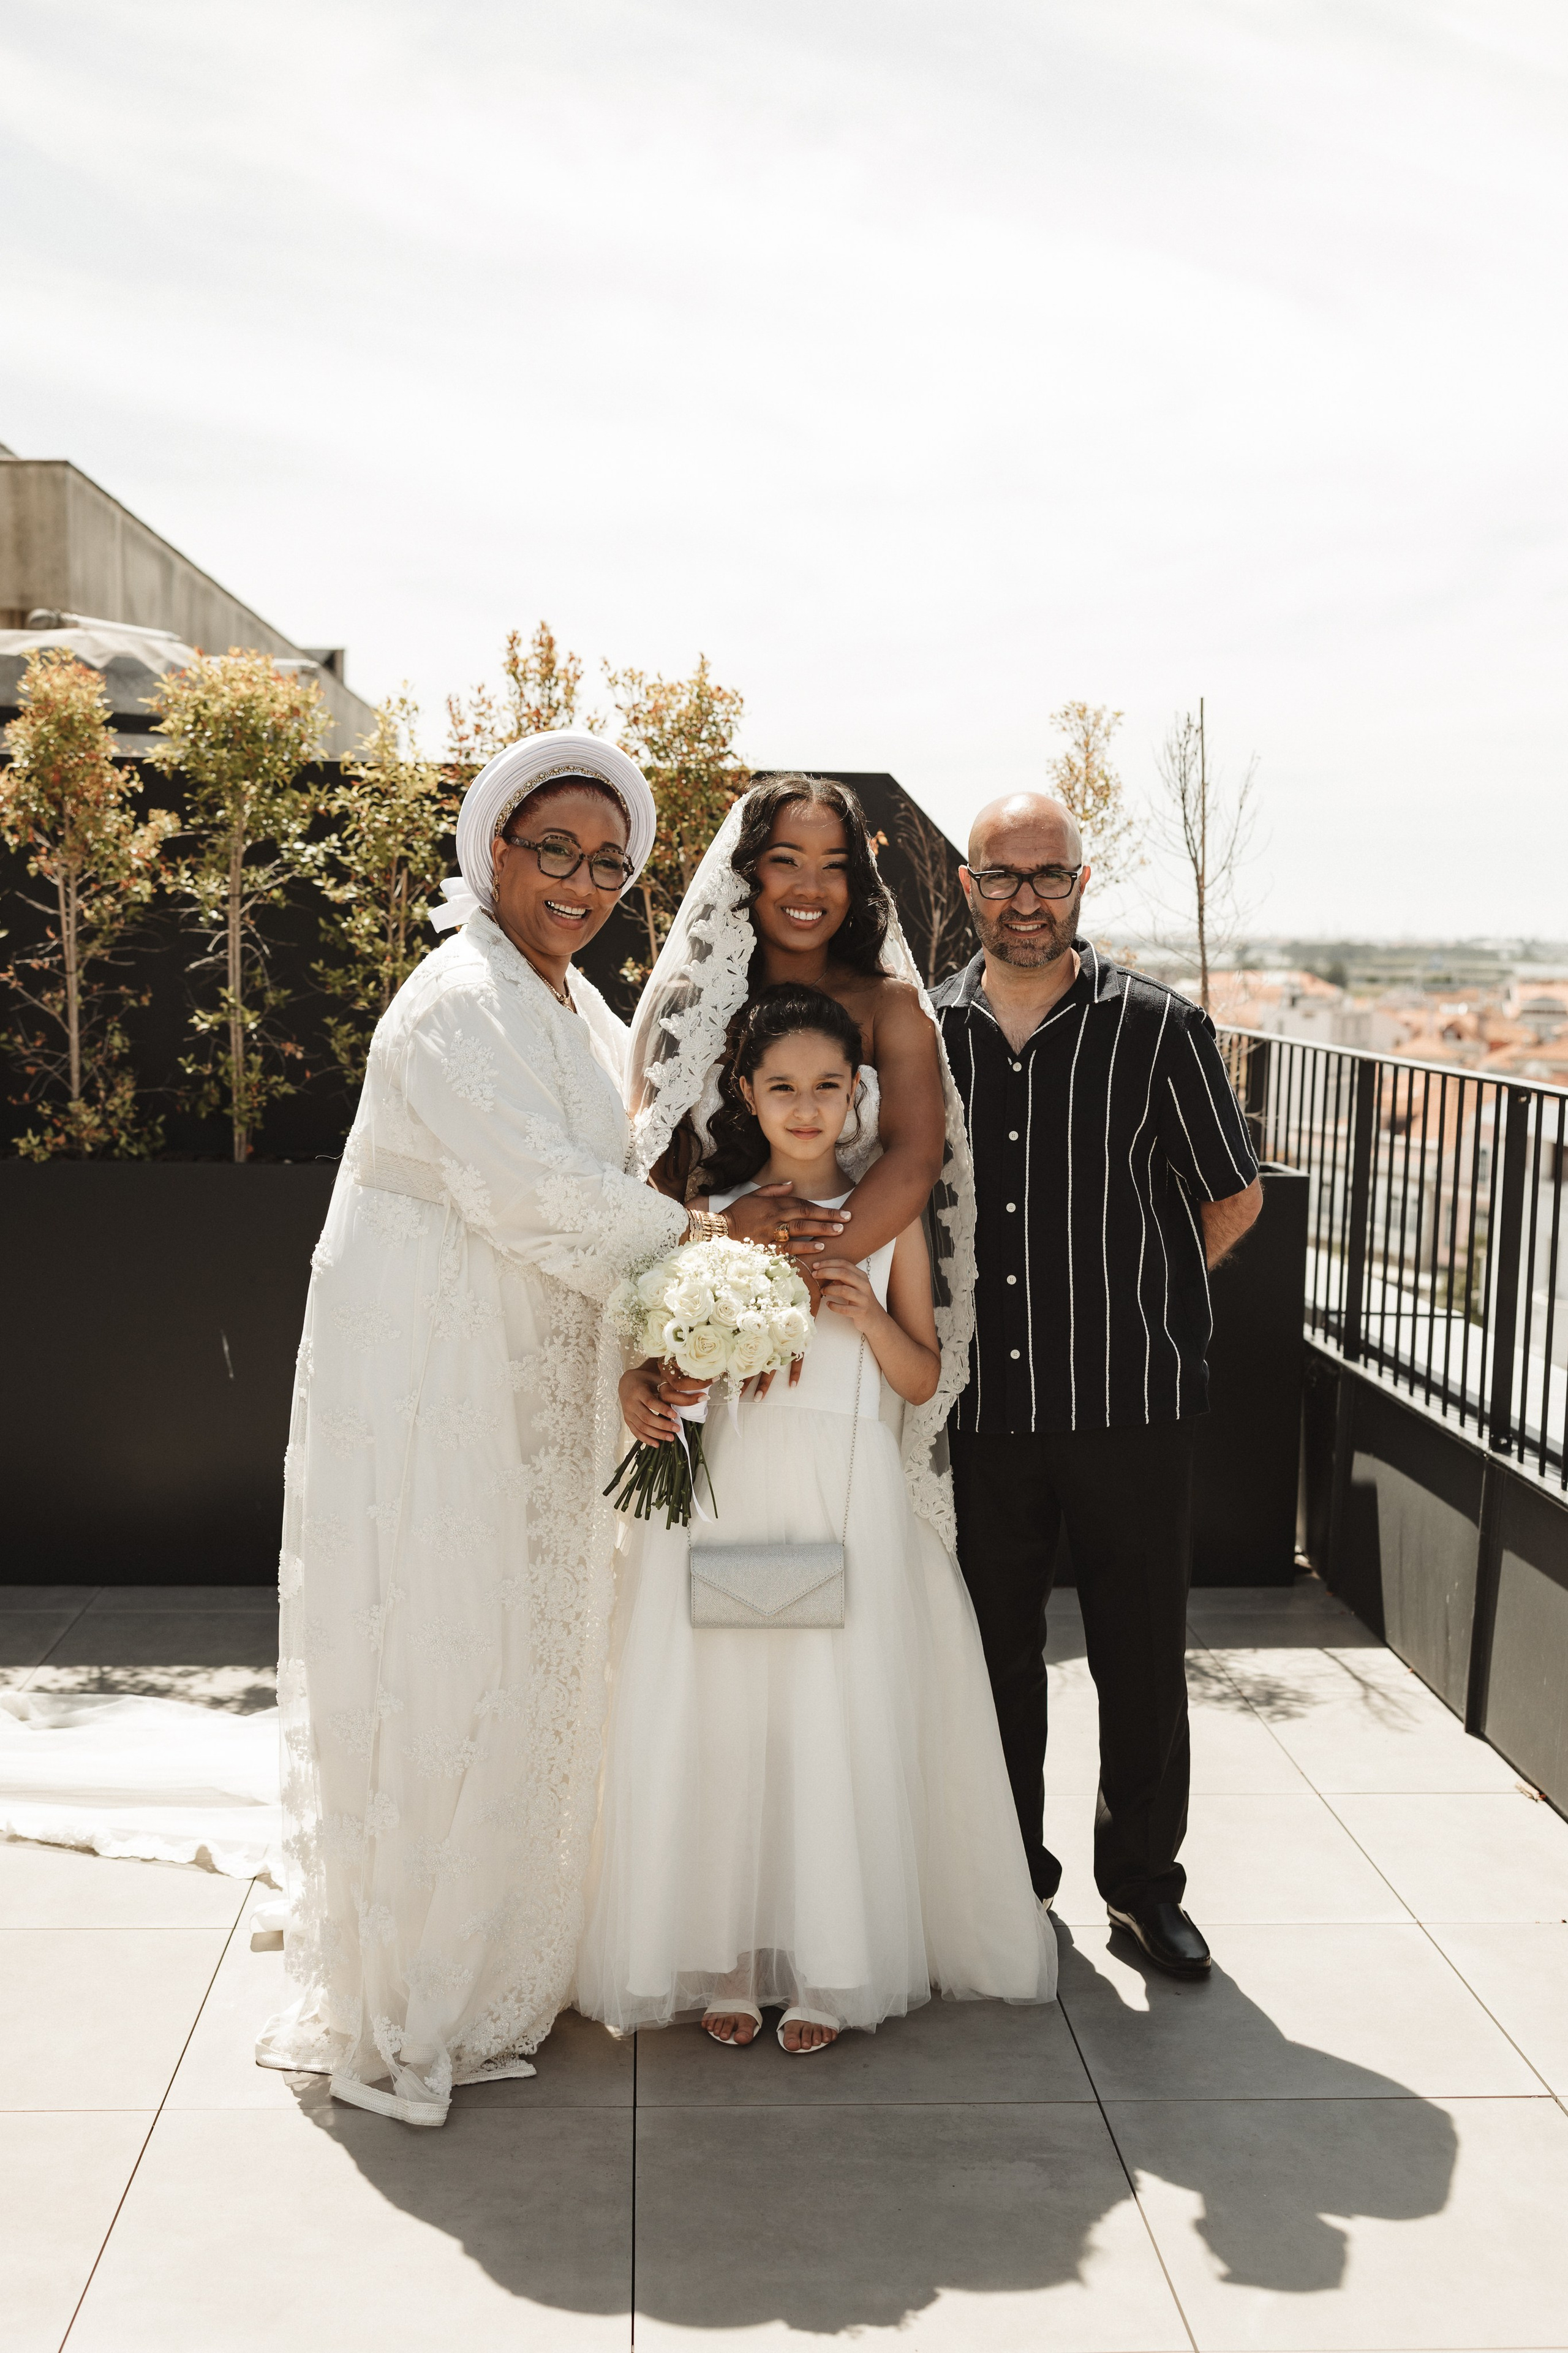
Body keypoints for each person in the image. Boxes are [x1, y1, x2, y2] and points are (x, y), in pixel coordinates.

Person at [258, 730, 712, 2127]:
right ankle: (425, 1982)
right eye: (553, 851)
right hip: (440, 1379)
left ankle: (520, 1943)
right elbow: (538, 1190)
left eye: (608, 863)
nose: (581, 881)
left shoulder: (568, 999)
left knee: (524, 1646)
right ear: (493, 851)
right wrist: (709, 1260)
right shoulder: (459, 996)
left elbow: (603, 1162)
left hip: (533, 1368)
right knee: (442, 1651)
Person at [576, 985, 1055, 2050]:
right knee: (736, 1715)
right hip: (735, 1495)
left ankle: (835, 1967)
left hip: (841, 1500)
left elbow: (924, 1379)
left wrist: (868, 1316)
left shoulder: (886, 1225)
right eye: (782, 1087)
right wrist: (665, 1381)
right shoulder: (718, 1218)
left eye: (827, 1087)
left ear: (858, 1095)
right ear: (747, 1093)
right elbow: (660, 1355)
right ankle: (734, 1957)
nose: (806, 1107)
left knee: (828, 1719)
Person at [930, 792, 1262, 1979]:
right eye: (1001, 875)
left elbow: (1231, 1194)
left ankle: (1141, 1890)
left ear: (1081, 883)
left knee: (1137, 1655)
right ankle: (1008, 1878)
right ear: (966, 885)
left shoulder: (1157, 1029)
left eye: (1047, 875)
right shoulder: (922, 1035)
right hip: (979, 1413)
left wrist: (1145, 1300)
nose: (1025, 897)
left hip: (1130, 1403)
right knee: (992, 1659)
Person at [625, 774, 974, 1544]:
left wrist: (783, 1287)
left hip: (844, 1322)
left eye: (835, 863)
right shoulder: (688, 1006)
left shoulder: (892, 1008)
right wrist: (721, 1270)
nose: (811, 886)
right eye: (786, 859)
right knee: (720, 1573)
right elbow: (648, 1186)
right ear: (748, 871)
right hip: (714, 1343)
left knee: (832, 1558)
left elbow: (914, 1159)